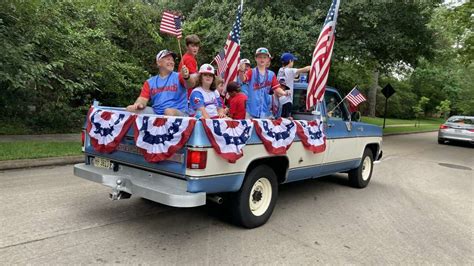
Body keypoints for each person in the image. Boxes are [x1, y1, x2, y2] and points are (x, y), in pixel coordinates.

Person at [126, 50, 191, 116]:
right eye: (168, 59)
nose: (171, 62)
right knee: (130, 109)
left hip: (179, 112)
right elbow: (143, 98)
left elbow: (189, 85)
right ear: (159, 62)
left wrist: (187, 77)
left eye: (172, 60)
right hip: (157, 112)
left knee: (168, 111)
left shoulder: (180, 76)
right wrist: (139, 104)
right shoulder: (150, 82)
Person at [238, 47, 289, 119]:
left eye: (264, 57)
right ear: (256, 58)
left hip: (265, 111)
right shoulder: (251, 72)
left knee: (263, 130)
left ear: (268, 59)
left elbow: (276, 88)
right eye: (260, 57)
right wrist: (241, 71)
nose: (262, 59)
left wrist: (284, 93)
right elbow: (243, 79)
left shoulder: (271, 74)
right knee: (251, 130)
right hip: (251, 111)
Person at [277, 52, 311, 118]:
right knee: (285, 122)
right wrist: (313, 65)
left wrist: (295, 79)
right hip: (287, 101)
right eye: (293, 61)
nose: (293, 63)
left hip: (280, 101)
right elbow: (305, 69)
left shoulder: (280, 70)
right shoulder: (290, 71)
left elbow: (286, 79)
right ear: (290, 61)